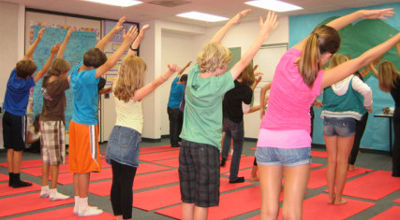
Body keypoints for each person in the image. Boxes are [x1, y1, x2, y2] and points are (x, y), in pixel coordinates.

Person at [256, 8, 397, 219]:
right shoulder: (318, 78)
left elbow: (324, 31)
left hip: (266, 139)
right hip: (295, 142)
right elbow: (363, 59)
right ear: (329, 55)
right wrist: (397, 36)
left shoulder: (288, 57)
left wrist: (360, 14)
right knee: (292, 210)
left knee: (268, 209)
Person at [179, 9, 278, 220]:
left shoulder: (195, 74)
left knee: (188, 198)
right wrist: (264, 34)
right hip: (205, 147)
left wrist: (231, 22)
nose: (227, 68)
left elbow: (211, 45)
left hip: (186, 144)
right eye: (224, 65)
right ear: (217, 66)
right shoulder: (217, 84)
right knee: (202, 201)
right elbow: (245, 60)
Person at [106, 24, 179, 220]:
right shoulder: (135, 94)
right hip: (129, 136)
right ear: (137, 75)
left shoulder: (115, 86)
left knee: (117, 181)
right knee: (127, 184)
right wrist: (170, 72)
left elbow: (127, 59)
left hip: (116, 135)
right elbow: (156, 84)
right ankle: (126, 218)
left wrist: (139, 39)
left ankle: (117, 216)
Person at [68, 17, 138, 217]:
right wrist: (125, 43)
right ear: (94, 67)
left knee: (77, 167)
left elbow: (97, 48)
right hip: (86, 126)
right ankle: (83, 205)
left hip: (75, 124)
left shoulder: (77, 71)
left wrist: (114, 31)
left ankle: (78, 203)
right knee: (85, 167)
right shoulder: (90, 76)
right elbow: (111, 63)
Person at [2, 28, 59, 188]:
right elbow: (44, 71)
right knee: (18, 148)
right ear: (28, 75)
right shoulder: (27, 83)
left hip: (6, 115)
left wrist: (38, 40)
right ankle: (16, 179)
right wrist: (53, 54)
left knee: (10, 148)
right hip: (17, 117)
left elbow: (26, 57)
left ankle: (11, 178)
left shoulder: (13, 76)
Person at [321, 54, 372, 205]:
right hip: (347, 121)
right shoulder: (352, 79)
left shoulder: (328, 79)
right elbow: (367, 91)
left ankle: (330, 195)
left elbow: (312, 92)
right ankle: (338, 197)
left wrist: (316, 103)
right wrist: (367, 105)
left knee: (331, 160)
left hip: (329, 120)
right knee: (343, 161)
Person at [39, 28, 74, 201]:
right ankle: (53, 190)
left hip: (44, 121)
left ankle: (44, 187)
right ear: (62, 73)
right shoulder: (60, 83)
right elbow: (71, 76)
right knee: (56, 158)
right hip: (54, 122)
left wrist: (67, 37)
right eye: (66, 71)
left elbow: (58, 60)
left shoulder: (47, 79)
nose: (66, 74)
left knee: (46, 156)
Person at [220, 64, 256, 183]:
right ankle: (233, 176)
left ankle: (224, 155)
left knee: (227, 133)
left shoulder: (230, 83)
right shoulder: (247, 91)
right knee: (237, 148)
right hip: (236, 121)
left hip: (225, 118)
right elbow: (245, 111)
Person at [370, 46, 400, 177]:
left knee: (398, 142)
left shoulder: (387, 82)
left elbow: (378, 75)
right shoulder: (398, 78)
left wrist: (371, 66)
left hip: (398, 113)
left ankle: (396, 171)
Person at [167, 61, 192, 147]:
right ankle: (174, 142)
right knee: (175, 125)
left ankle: (176, 139)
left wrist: (186, 66)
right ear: (185, 81)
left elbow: (179, 73)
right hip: (175, 108)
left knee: (173, 124)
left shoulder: (175, 81)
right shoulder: (183, 87)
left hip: (169, 107)